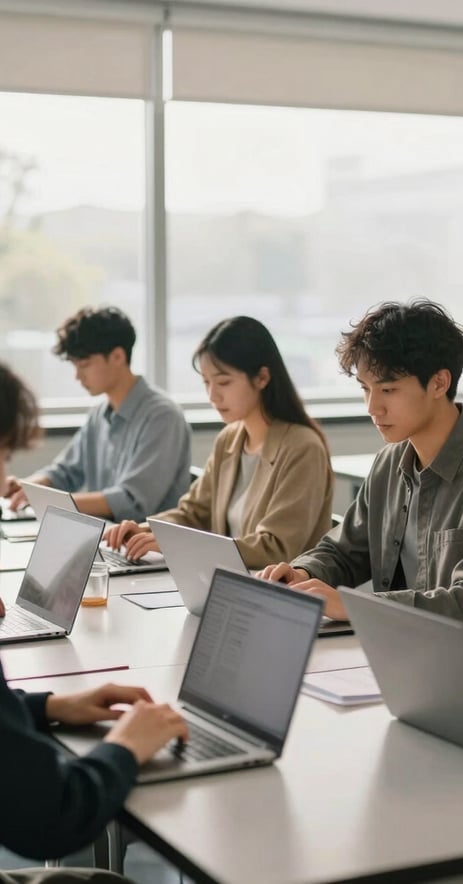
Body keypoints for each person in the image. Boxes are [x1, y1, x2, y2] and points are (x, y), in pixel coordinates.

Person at [262, 300, 463, 661]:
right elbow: (344, 551)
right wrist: (302, 573)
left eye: (388, 390)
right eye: (365, 389)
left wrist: (351, 605)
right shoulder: (389, 462)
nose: (372, 408)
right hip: (396, 656)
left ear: (440, 382)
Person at [0, 361, 188, 881]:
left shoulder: (159, 417)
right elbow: (55, 815)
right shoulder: (99, 416)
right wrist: (125, 746)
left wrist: (52, 704)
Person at [104, 316, 333, 569]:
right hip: (226, 582)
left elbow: (275, 548)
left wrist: (177, 544)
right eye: (206, 382)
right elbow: (192, 513)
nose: (213, 395)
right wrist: (144, 529)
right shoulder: (229, 439)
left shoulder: (302, 447)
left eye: (224, 382)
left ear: (262, 378)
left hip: (277, 594)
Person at [3, 307, 191, 523]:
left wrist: (49, 501)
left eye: (84, 365)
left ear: (118, 356)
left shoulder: (162, 417)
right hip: (107, 538)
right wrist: (29, 487)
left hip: (144, 547)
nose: (77, 376)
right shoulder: (99, 414)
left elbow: (132, 501)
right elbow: (65, 472)